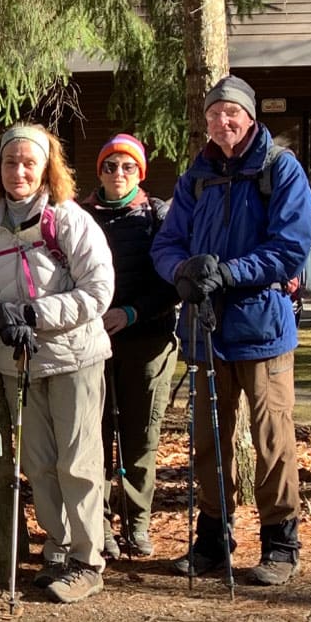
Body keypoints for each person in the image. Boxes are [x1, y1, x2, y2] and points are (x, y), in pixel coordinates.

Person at [151, 75, 311, 586]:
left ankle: (281, 544)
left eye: (231, 113)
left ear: (250, 118)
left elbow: (290, 248)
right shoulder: (194, 177)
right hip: (205, 331)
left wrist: (228, 271)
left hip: (262, 328)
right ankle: (212, 543)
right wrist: (185, 271)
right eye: (213, 114)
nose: (222, 122)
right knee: (207, 441)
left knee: (271, 441)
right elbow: (166, 244)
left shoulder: (279, 169)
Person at [0, 123, 114, 604]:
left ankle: (88, 560)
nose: (20, 172)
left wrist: (34, 313)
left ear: (47, 167)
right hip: (17, 360)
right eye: (11, 162)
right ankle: (59, 543)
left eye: (30, 163)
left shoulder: (68, 220)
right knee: (39, 462)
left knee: (78, 460)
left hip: (74, 357)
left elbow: (97, 290)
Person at [80, 134, 179, 559]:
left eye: (127, 167)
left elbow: (171, 283)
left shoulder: (159, 217)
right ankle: (98, 524)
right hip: (91, 342)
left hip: (148, 340)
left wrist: (132, 313)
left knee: (141, 437)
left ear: (140, 173)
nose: (118, 174)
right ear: (98, 171)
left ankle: (137, 524)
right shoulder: (79, 216)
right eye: (109, 166)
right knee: (92, 436)